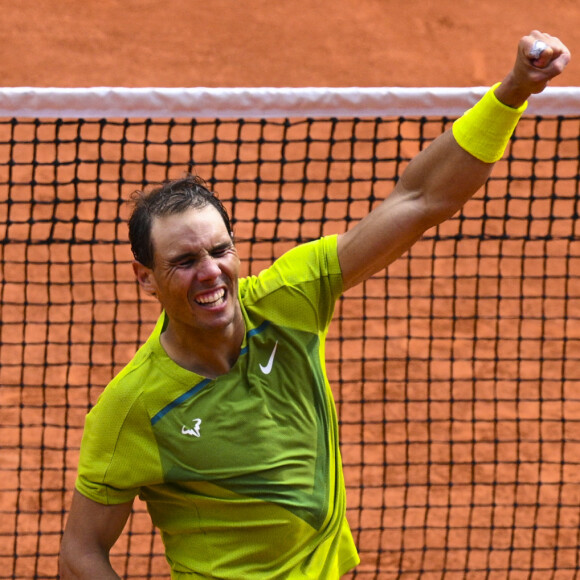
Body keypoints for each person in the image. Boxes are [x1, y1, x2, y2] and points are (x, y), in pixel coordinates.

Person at [59, 31, 570, 580]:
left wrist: (514, 91)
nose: (210, 272)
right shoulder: (133, 407)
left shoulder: (288, 301)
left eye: (220, 250)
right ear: (145, 277)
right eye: (184, 260)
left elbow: (422, 200)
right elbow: (81, 553)